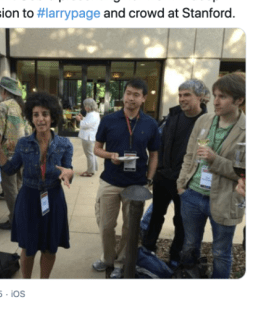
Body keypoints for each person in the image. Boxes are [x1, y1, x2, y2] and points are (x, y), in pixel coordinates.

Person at [0, 92, 73, 279]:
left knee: (49, 248)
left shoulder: (65, 144)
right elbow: (11, 169)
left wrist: (70, 173)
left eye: (45, 114)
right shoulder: (24, 143)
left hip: (53, 199)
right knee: (28, 248)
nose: (40, 119)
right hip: (28, 199)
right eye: (36, 114)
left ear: (52, 116)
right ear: (31, 118)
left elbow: (68, 170)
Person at [176, 72, 246, 278]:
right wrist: (182, 186)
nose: (215, 101)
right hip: (192, 195)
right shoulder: (204, 120)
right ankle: (191, 277)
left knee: (221, 253)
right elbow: (190, 154)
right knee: (189, 245)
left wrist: (215, 161)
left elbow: (248, 173)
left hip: (225, 199)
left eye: (222, 97)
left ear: (239, 100)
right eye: (214, 95)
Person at [92, 79, 161, 278]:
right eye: (128, 93)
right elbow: (97, 148)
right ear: (123, 95)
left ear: (144, 98)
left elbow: (154, 153)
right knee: (106, 225)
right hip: (110, 181)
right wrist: (110, 156)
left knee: (130, 227)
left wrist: (149, 179)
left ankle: (122, 262)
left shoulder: (150, 124)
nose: (131, 98)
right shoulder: (109, 120)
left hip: (136, 183)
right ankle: (107, 259)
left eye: (136, 94)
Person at [141, 79, 210, 266]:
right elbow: (161, 144)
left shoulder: (207, 122)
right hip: (163, 176)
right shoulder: (173, 115)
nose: (182, 99)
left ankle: (174, 257)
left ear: (200, 97)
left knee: (181, 221)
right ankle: (147, 250)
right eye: (180, 95)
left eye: (187, 95)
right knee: (156, 215)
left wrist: (185, 179)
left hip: (185, 182)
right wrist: (158, 170)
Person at [0, 76, 31, 229]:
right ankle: (23, 215)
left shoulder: (2, 107)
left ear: (3, 91)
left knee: (10, 189)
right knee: (20, 186)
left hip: (7, 157)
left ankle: (15, 220)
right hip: (24, 153)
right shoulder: (22, 106)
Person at [75, 98, 100, 177]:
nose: (84, 107)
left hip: (88, 137)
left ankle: (90, 171)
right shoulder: (94, 113)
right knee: (92, 154)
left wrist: (79, 120)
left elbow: (86, 125)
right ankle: (93, 168)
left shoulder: (92, 114)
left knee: (89, 154)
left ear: (89, 106)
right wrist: (83, 118)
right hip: (90, 136)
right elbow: (88, 122)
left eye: (85, 105)